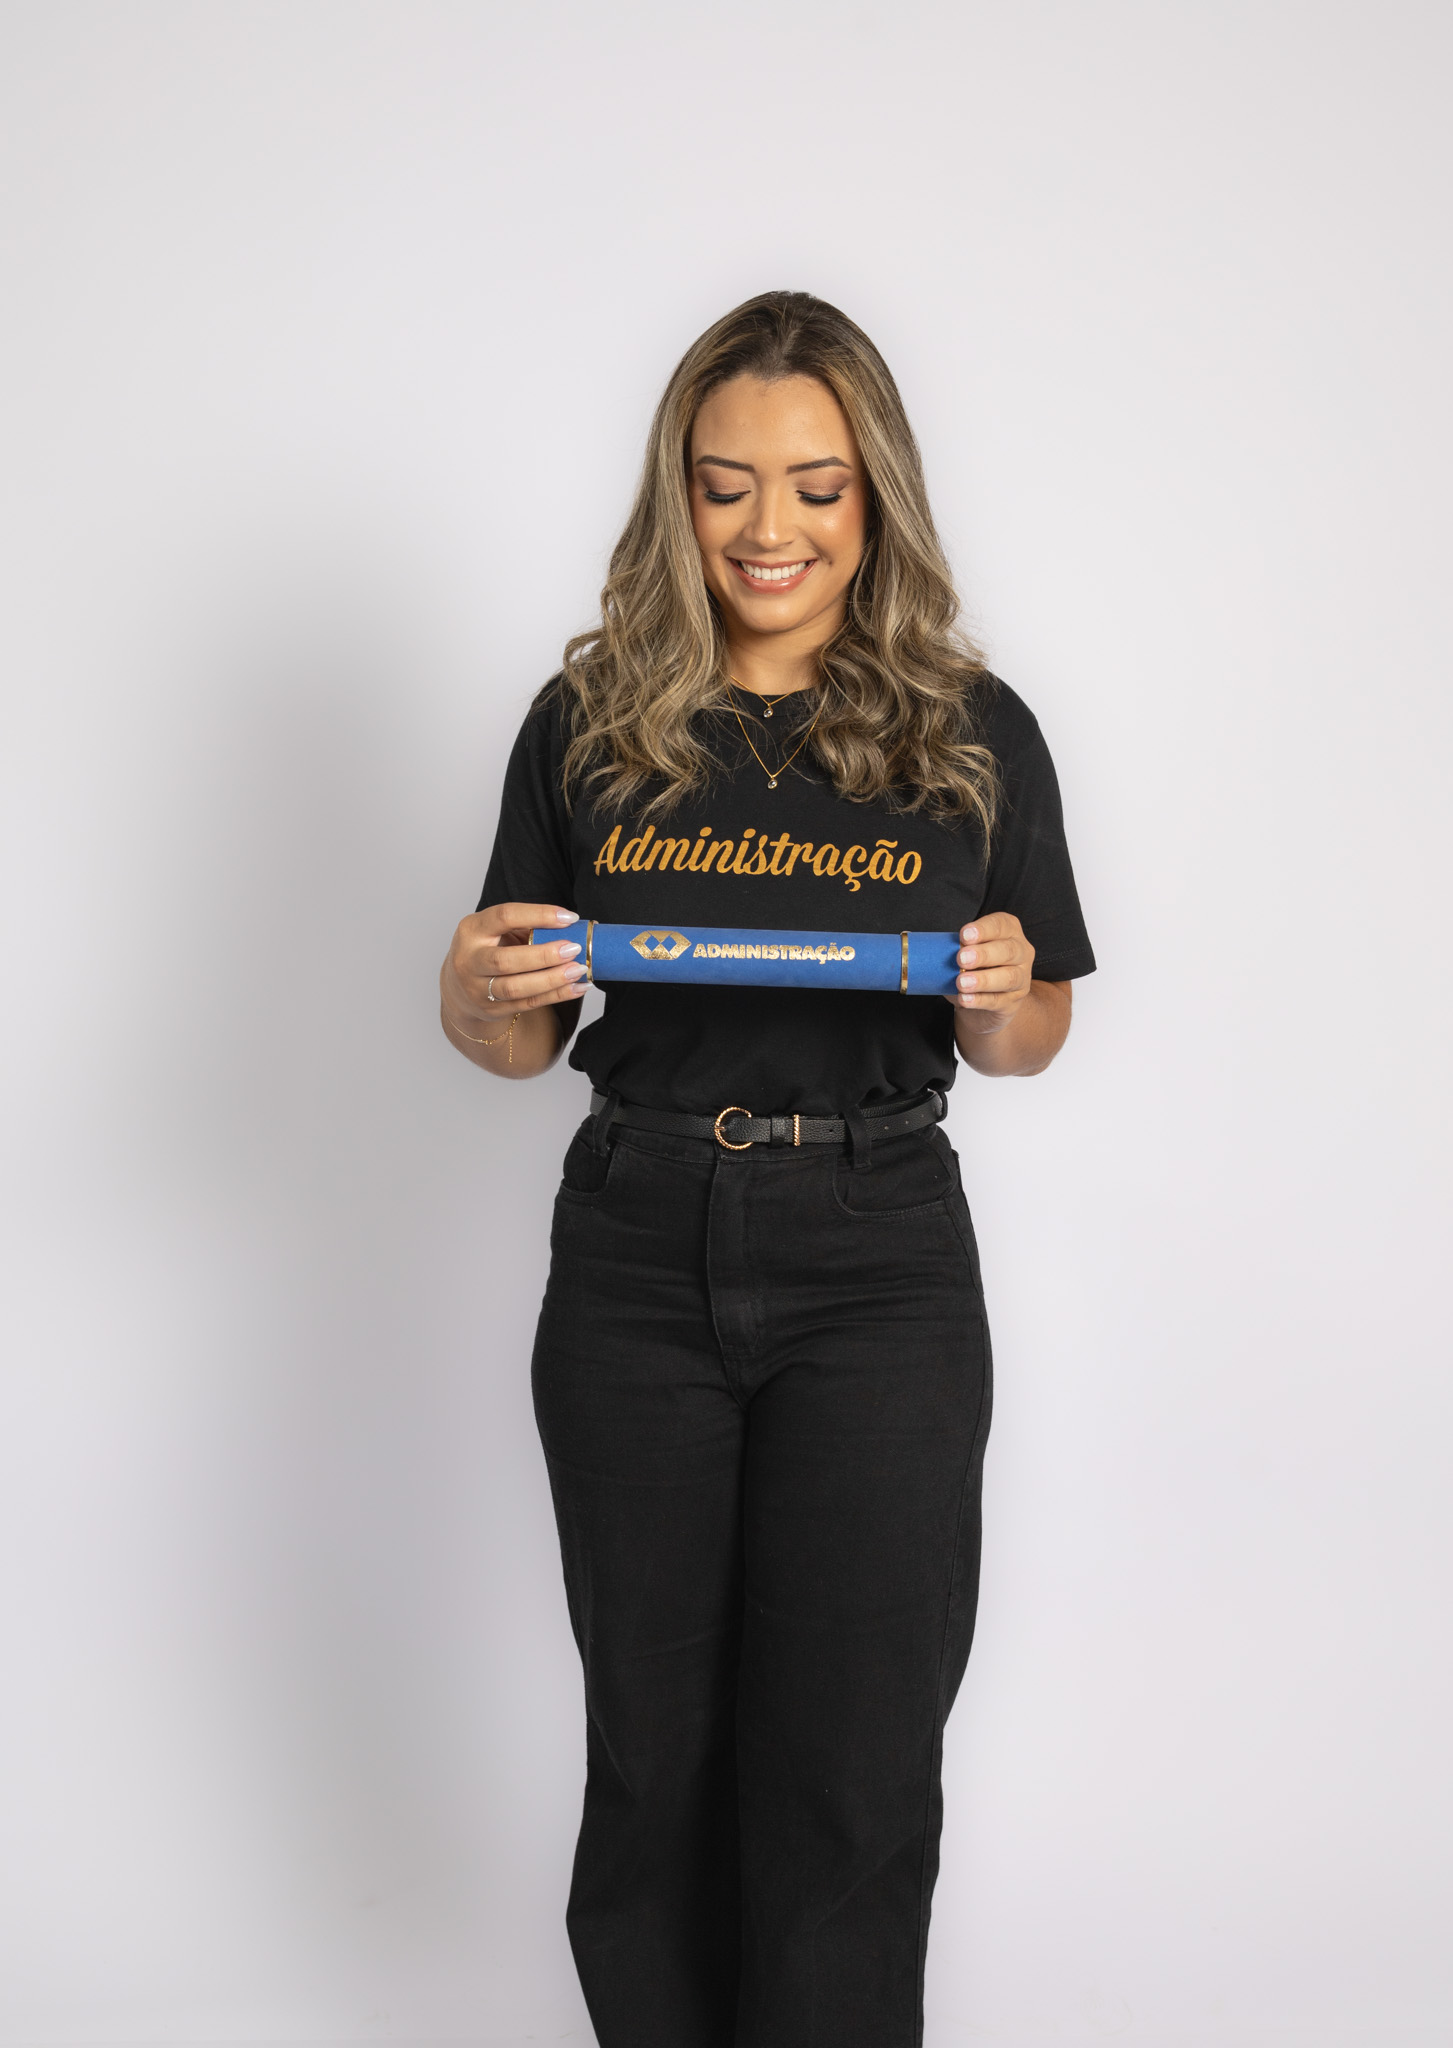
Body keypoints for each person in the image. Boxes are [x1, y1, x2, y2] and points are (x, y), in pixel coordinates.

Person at [439, 291, 1095, 2048]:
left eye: (814, 486)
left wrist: (1009, 995)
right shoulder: (590, 721)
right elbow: (517, 1036)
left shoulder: (969, 728)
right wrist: (470, 996)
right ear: (678, 492)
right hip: (636, 1246)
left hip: (878, 1255)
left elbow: (1025, 1039)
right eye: (724, 485)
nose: (766, 530)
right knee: (653, 1759)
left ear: (876, 496)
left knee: (850, 1767)